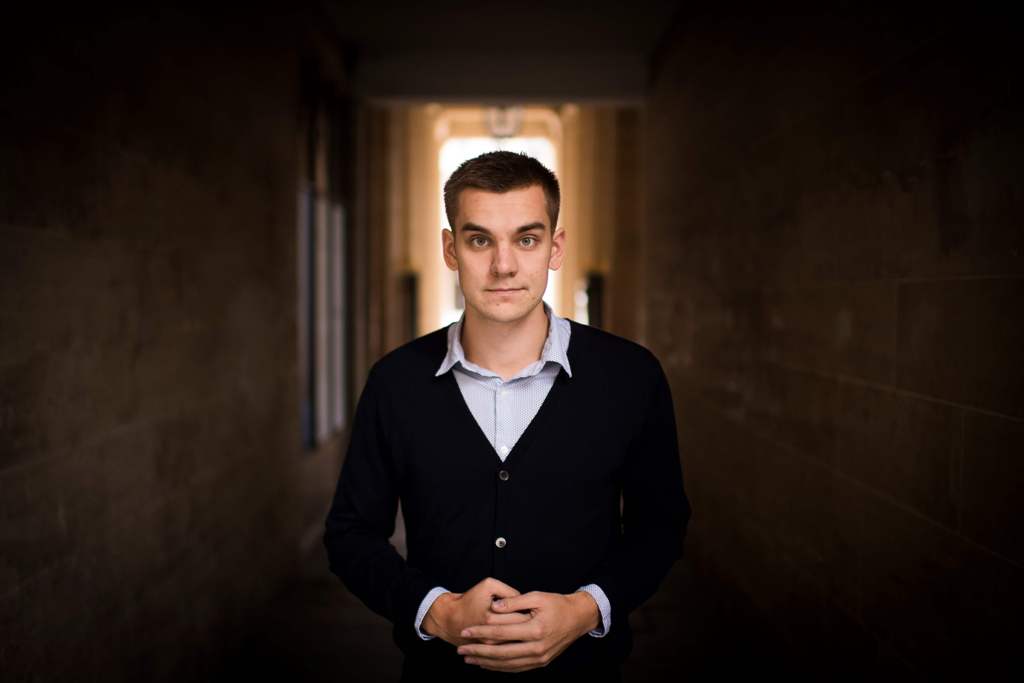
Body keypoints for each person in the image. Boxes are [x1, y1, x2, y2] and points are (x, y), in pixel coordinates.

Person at [323, 150, 691, 680]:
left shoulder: (631, 377)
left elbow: (660, 525)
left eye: (526, 238)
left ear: (555, 247)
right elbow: (351, 533)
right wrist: (437, 611)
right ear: (450, 250)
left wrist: (585, 610)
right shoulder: (395, 383)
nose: (503, 266)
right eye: (479, 240)